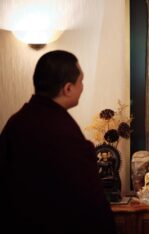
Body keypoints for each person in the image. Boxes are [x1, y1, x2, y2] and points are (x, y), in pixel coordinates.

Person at [0, 50, 117, 233]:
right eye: (81, 81)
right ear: (68, 88)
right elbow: (91, 203)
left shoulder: (16, 122)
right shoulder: (64, 135)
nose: (82, 87)